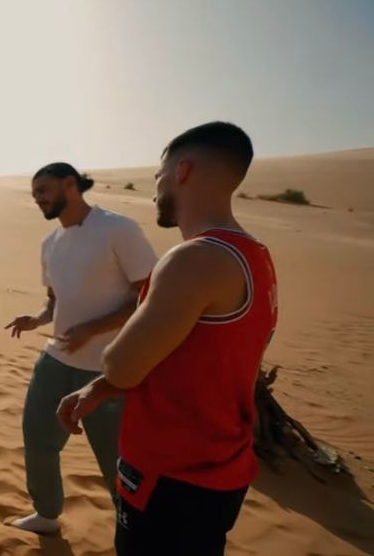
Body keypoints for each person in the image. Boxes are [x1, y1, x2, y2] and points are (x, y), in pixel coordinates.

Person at [57, 122, 277, 555]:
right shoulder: (255, 255)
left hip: (172, 476)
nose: (155, 190)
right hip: (220, 472)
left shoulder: (195, 258)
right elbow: (201, 357)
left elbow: (122, 365)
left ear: (182, 171)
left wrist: (111, 366)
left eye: (159, 176)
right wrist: (100, 388)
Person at [5, 162, 157, 534]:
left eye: (43, 190)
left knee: (116, 459)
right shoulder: (50, 243)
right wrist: (36, 319)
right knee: (38, 440)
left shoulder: (118, 229)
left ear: (70, 184)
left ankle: (134, 530)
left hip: (110, 369)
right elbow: (54, 301)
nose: (38, 198)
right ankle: (46, 515)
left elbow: (151, 296)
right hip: (56, 360)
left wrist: (93, 328)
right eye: (34, 193)